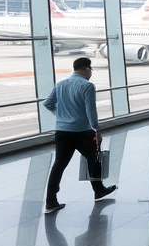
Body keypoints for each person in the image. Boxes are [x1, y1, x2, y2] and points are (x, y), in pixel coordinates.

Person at [42, 57, 117, 214]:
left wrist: (61, 115)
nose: (91, 73)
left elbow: (48, 103)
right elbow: (91, 111)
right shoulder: (87, 86)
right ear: (86, 69)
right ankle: (99, 190)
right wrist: (96, 130)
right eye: (91, 70)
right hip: (82, 131)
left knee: (59, 165)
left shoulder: (61, 84)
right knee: (94, 159)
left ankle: (50, 201)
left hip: (62, 131)